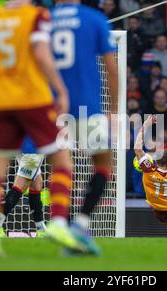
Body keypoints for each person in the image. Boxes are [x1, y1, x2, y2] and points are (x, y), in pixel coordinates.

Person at [0, 0, 77, 257]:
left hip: (3, 103)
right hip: (34, 100)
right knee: (62, 161)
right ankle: (59, 223)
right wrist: (60, 89)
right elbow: (41, 53)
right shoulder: (36, 15)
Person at [51, 0, 118, 255]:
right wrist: (112, 109)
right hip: (87, 106)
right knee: (103, 164)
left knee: (61, 168)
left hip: (54, 107)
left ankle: (65, 228)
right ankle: (80, 225)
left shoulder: (44, 20)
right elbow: (111, 68)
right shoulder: (93, 18)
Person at [0, 137, 47, 236]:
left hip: (23, 144)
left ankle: (41, 229)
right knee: (21, 186)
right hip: (32, 148)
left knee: (37, 185)